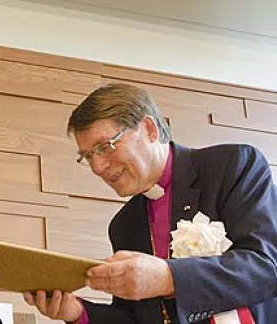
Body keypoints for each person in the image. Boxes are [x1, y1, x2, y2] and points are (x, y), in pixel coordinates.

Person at [22, 83, 277, 323]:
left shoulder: (233, 166)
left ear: (149, 129)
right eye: (88, 157)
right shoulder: (124, 225)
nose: (97, 167)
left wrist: (168, 278)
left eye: (106, 146)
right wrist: (76, 311)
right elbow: (137, 318)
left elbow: (266, 268)